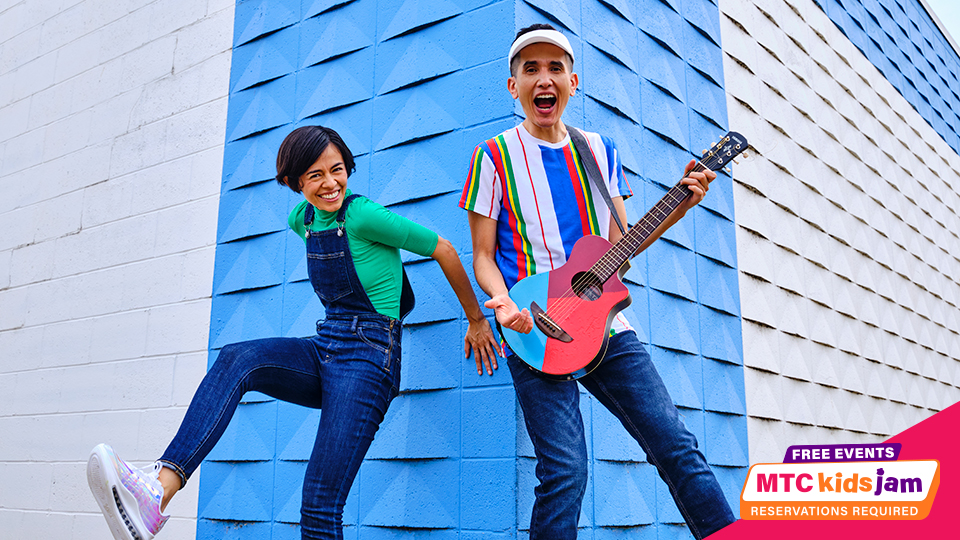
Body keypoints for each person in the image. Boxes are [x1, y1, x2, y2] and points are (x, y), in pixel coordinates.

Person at [87, 125, 501, 540]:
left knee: (319, 502)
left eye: (337, 170)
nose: (329, 183)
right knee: (237, 358)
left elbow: (443, 248)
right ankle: (158, 492)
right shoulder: (301, 219)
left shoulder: (363, 214)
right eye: (315, 175)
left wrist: (476, 320)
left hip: (370, 358)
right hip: (327, 346)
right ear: (294, 181)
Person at [460, 24, 737, 539]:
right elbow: (481, 255)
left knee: (677, 447)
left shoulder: (600, 150)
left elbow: (619, 247)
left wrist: (681, 203)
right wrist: (500, 305)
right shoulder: (492, 155)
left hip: (605, 325)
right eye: (531, 69)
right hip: (532, 325)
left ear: (573, 80)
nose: (544, 79)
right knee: (565, 472)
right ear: (513, 86)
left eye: (555, 68)